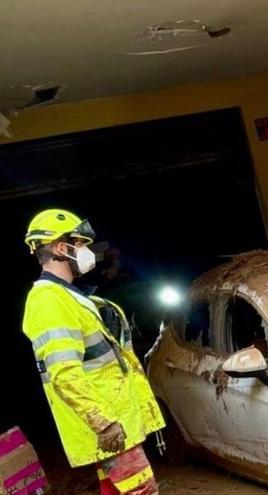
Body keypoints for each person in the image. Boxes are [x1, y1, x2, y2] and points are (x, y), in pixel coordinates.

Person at [21, 209, 164, 495]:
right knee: (141, 489)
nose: (88, 252)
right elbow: (63, 373)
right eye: (81, 244)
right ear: (62, 248)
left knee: (114, 489)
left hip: (115, 417)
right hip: (109, 421)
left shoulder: (69, 296)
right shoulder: (48, 301)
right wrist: (104, 422)